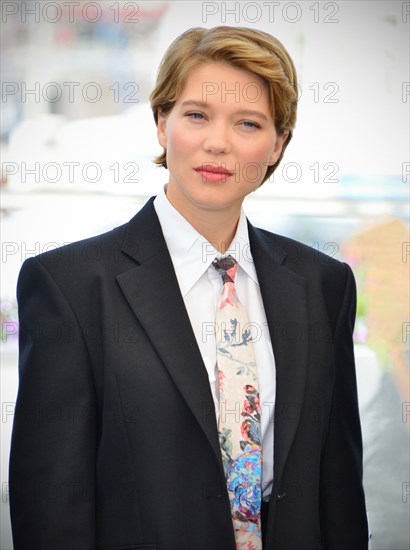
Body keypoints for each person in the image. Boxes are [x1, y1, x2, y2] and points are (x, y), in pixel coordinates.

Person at [9, 26, 369, 549]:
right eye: (197, 115)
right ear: (161, 122)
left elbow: (338, 486)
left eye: (248, 123)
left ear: (278, 144)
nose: (217, 143)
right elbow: (51, 506)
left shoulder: (323, 284)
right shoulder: (69, 285)